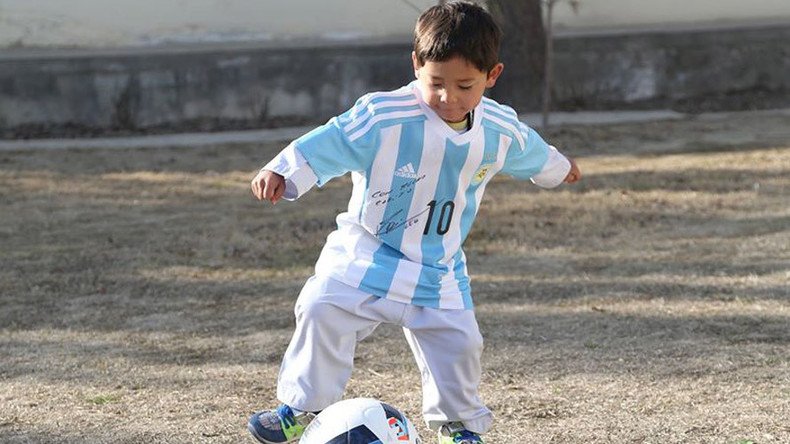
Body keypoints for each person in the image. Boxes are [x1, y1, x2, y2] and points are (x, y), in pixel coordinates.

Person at [247, 2, 581, 443]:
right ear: (416, 65)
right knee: (320, 308)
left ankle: (458, 427)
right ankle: (300, 407)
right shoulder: (383, 115)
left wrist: (561, 168)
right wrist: (282, 171)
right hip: (366, 255)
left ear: (492, 75)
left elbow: (532, 152)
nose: (449, 97)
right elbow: (331, 140)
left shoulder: (499, 128)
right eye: (435, 83)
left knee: (459, 346)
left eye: (465, 85)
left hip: (437, 267)